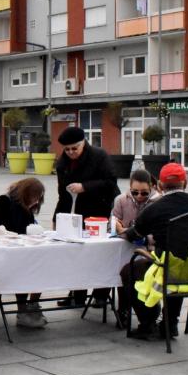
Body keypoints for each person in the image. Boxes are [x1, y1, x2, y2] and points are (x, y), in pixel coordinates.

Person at [121, 163, 188, 340]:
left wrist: (122, 230)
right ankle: (170, 323)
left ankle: (147, 322)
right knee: (177, 260)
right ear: (185, 183)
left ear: (160, 186)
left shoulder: (155, 208)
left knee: (129, 271)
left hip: (170, 272)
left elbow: (134, 235)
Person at [54, 126, 119, 307]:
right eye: (67, 149)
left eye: (74, 148)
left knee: (102, 254)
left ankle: (101, 295)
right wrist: (57, 218)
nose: (71, 152)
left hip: (102, 210)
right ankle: (77, 295)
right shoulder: (62, 164)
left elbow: (110, 182)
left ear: (83, 143)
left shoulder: (99, 156)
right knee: (77, 255)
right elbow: (63, 195)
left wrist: (84, 187)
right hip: (79, 212)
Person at [0, 178, 47, 329]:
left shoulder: (26, 206)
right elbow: (0, 230)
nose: (36, 201)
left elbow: (28, 228)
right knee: (25, 268)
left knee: (42, 264)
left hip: (18, 250)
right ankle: (23, 310)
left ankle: (32, 305)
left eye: (38, 198)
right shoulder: (4, 201)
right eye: (34, 196)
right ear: (26, 192)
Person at [111, 169, 158, 237]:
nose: (139, 196)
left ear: (150, 187)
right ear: (130, 187)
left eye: (144, 193)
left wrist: (123, 231)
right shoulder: (120, 200)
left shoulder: (157, 202)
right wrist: (115, 226)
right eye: (135, 192)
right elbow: (111, 228)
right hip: (122, 242)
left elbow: (157, 233)